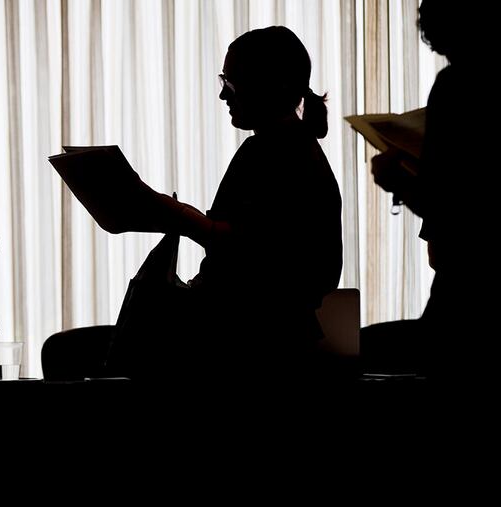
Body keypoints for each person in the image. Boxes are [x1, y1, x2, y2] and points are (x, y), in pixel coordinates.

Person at [107, 26, 342, 385]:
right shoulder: (293, 149)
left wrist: (177, 215)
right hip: (276, 342)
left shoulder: (274, 152)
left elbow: (252, 253)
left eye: (231, 83)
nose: (222, 94)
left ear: (273, 85)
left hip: (255, 349)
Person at [369, 0, 501, 385]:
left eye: (448, 49)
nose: (448, 59)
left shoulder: (459, 87)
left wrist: (397, 181)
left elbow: (455, 210)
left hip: (471, 307)